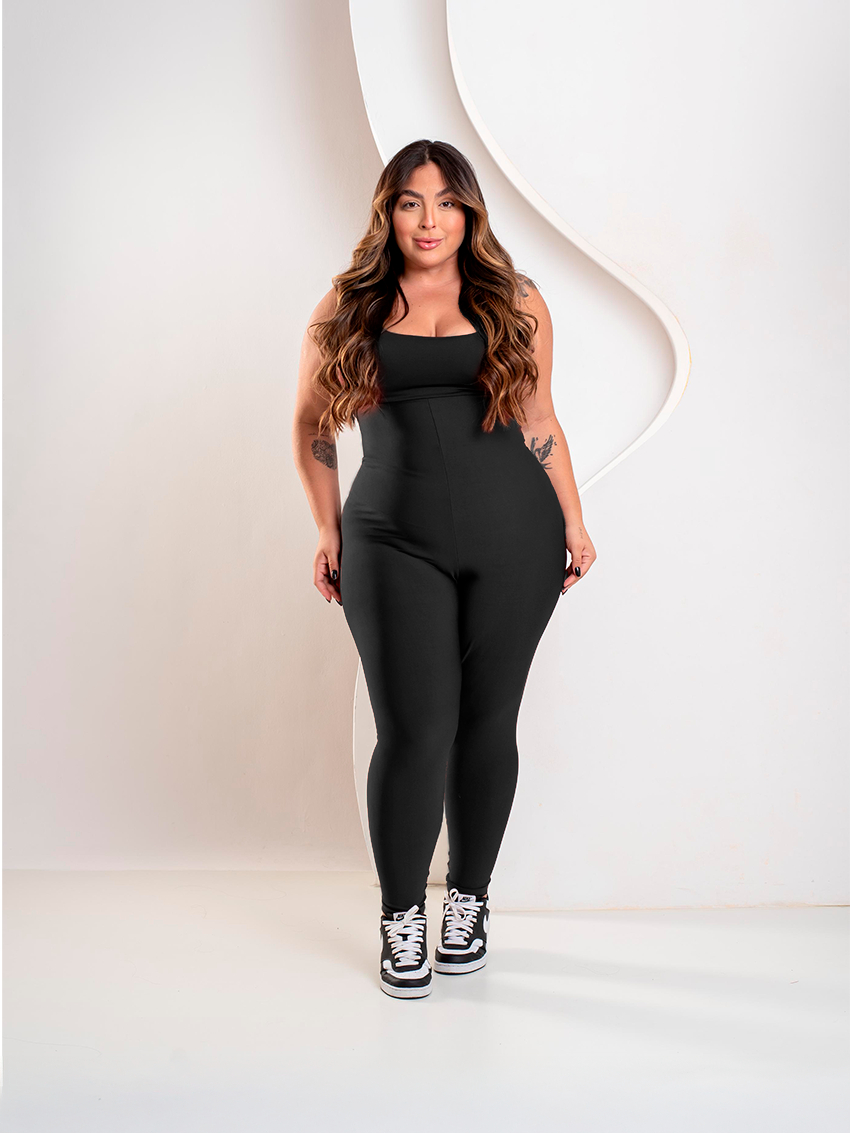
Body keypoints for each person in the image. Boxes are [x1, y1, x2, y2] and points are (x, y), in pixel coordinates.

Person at [292, 140, 596, 998]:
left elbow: (539, 418)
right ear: (387, 212)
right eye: (410, 202)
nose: (429, 221)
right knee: (414, 731)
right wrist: (326, 527)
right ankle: (401, 916)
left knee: (488, 724)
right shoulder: (349, 303)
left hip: (517, 538)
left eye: (447, 203)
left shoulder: (515, 299)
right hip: (392, 541)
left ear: (470, 213)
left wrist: (574, 520)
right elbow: (310, 424)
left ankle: (468, 900)